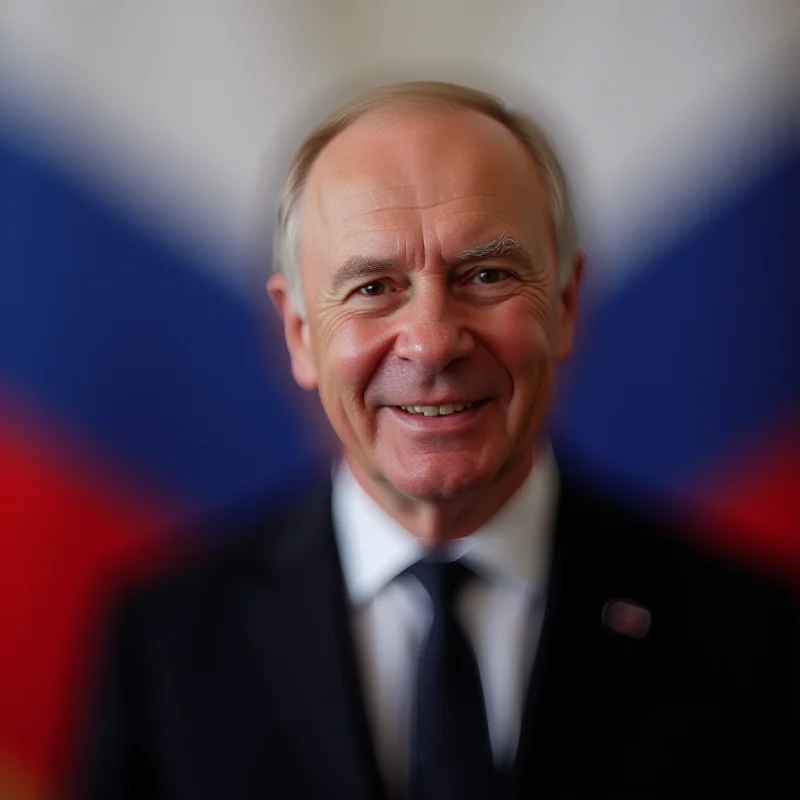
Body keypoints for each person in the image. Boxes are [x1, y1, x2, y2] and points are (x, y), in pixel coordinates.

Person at [77, 82, 798, 799]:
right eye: (373, 287)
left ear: (567, 304)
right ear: (298, 332)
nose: (430, 343)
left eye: (486, 275)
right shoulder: (166, 645)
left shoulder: (745, 637)